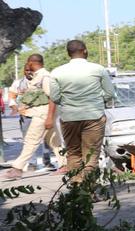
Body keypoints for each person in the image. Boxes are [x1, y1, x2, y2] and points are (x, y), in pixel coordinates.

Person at [47, 40, 115, 177]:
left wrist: (69, 102)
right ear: (85, 51)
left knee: (73, 154)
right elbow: (109, 94)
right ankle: (89, 189)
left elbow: (55, 97)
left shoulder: (57, 72)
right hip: (94, 117)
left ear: (68, 53)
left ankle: (78, 189)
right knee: (91, 155)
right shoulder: (98, 69)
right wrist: (95, 99)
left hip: (69, 118)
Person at [1, 55, 63, 180]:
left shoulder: (45, 76)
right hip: (39, 113)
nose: (27, 66)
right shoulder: (37, 76)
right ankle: (66, 165)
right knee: (55, 142)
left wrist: (50, 117)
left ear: (32, 63)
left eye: (28, 63)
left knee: (31, 140)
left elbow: (53, 98)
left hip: (43, 114)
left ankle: (17, 168)